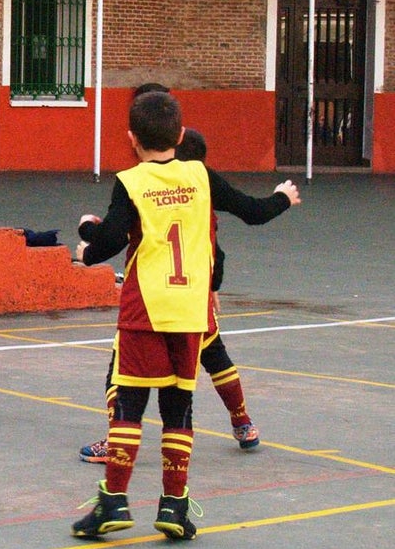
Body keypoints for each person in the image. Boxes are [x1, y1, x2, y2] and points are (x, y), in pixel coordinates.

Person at [69, 90, 274, 541]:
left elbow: (110, 242)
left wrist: (87, 246)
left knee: (129, 404)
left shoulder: (131, 181)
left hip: (146, 310)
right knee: (179, 407)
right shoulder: (200, 176)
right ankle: (174, 507)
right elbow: (252, 212)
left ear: (131, 139)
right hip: (190, 313)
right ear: (180, 135)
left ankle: (113, 501)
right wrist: (282, 197)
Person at [79, 126, 300, 462]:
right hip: (193, 299)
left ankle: (116, 444)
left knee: (121, 373)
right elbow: (241, 227)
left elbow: (116, 235)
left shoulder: (142, 184)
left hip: (152, 301)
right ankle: (242, 423)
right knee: (213, 362)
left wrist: (87, 238)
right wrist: (283, 197)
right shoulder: (202, 191)